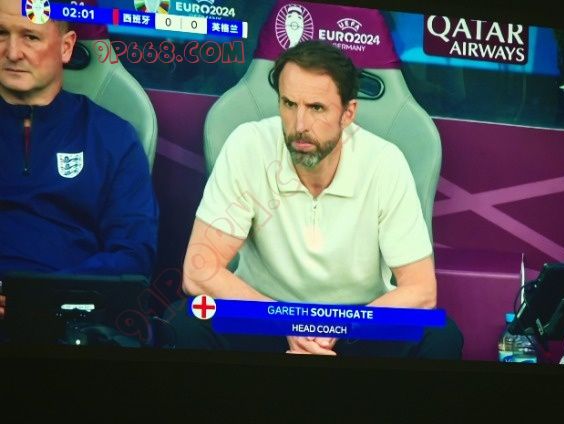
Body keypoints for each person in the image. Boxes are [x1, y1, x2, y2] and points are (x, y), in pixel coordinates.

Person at [177, 40, 463, 359]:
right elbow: (199, 271)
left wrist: (342, 326)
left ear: (348, 113)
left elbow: (421, 290)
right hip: (264, 317)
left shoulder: (384, 162)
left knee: (440, 335)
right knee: (187, 321)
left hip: (358, 324)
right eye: (289, 104)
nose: (300, 125)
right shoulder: (249, 145)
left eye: (316, 108)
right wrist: (285, 321)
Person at [0, 0, 158, 321]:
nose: (13, 52)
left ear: (66, 47)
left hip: (70, 316)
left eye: (30, 37)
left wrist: (39, 297)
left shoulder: (112, 137)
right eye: (1, 34)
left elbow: (133, 254)